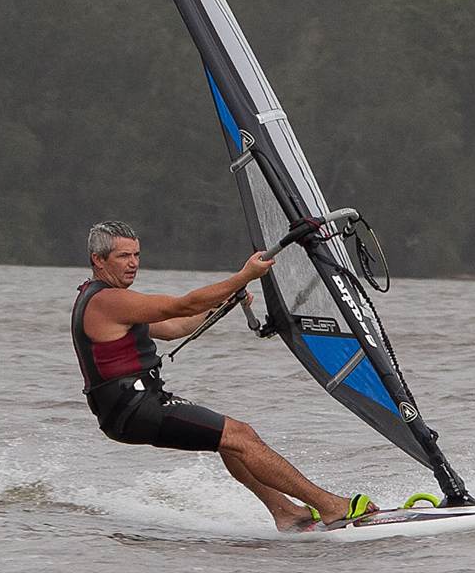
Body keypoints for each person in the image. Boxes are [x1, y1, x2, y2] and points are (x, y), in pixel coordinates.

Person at [71, 219, 378, 532]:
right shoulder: (107, 300)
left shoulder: (109, 300)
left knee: (229, 441)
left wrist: (223, 302)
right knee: (240, 436)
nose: (133, 263)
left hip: (134, 406)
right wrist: (244, 276)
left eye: (136, 255)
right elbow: (181, 306)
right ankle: (331, 506)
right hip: (135, 408)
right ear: (99, 260)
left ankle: (287, 512)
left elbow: (174, 327)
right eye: (124, 256)